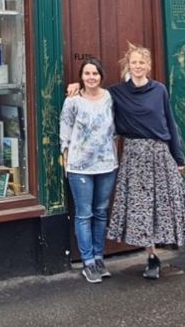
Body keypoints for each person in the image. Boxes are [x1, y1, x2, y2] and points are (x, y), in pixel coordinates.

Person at [74, 43, 185, 280]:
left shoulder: (159, 90)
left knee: (181, 201)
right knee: (141, 209)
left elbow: (170, 123)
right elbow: (94, 91)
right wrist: (77, 87)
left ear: (148, 66)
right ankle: (152, 257)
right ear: (128, 65)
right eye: (134, 62)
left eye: (142, 62)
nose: (138, 66)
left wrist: (179, 157)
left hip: (160, 153)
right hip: (134, 156)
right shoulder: (117, 92)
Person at [60, 58, 117, 283]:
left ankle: (99, 256)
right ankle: (88, 262)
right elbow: (64, 129)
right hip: (80, 166)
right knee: (84, 214)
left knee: (101, 212)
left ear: (101, 75)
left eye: (95, 73)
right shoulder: (73, 101)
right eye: (86, 74)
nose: (91, 77)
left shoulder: (110, 98)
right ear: (81, 77)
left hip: (106, 164)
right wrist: (65, 157)